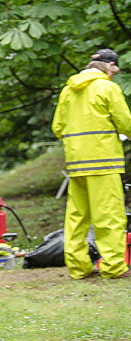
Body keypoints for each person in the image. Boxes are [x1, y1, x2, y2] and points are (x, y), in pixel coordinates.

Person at [52, 48, 131, 279]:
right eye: (115, 69)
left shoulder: (68, 90)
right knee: (109, 216)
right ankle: (114, 268)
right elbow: (126, 123)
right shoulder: (107, 87)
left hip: (77, 164)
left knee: (78, 217)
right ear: (111, 66)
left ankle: (78, 268)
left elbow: (58, 127)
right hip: (104, 163)